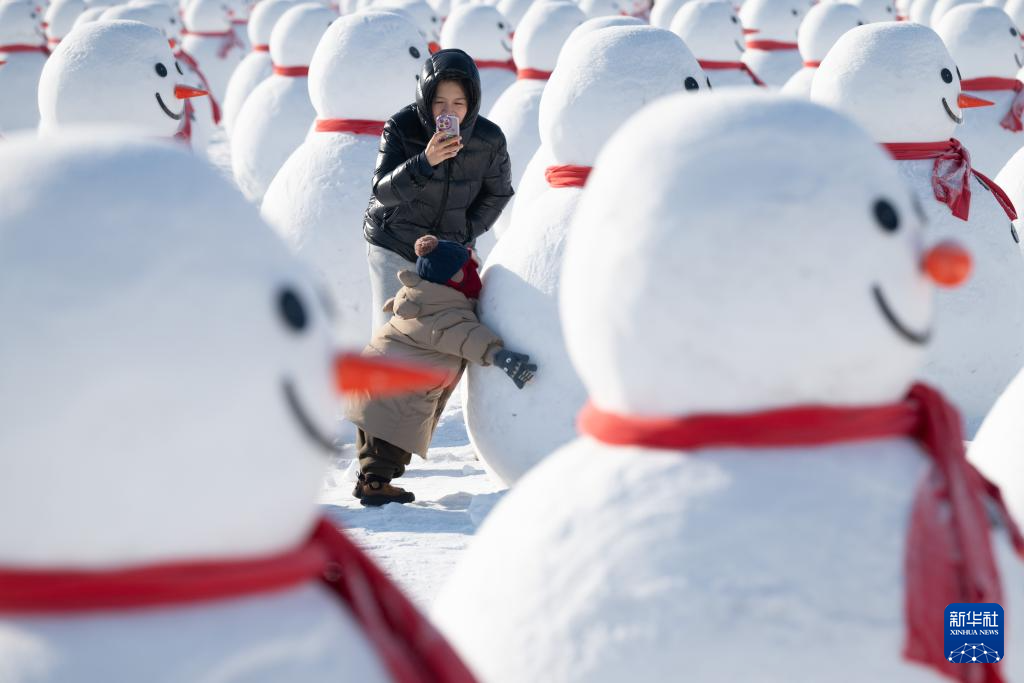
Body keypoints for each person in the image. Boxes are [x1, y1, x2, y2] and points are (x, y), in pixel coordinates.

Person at [346, 236, 536, 506]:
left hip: (374, 377)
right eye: (470, 268)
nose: (475, 271)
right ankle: (375, 485)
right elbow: (466, 336)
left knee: (374, 437)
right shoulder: (445, 312)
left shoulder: (425, 298)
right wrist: (501, 356)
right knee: (387, 444)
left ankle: (370, 481)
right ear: (457, 278)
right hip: (394, 389)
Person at [363, 48, 514, 331]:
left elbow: (499, 192)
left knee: (448, 337)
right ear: (426, 99)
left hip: (447, 250)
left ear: (472, 102)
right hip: (395, 242)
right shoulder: (400, 127)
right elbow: (382, 191)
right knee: (395, 335)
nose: (449, 112)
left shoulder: (489, 140)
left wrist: (464, 232)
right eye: (440, 102)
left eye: (459, 103)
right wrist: (425, 161)